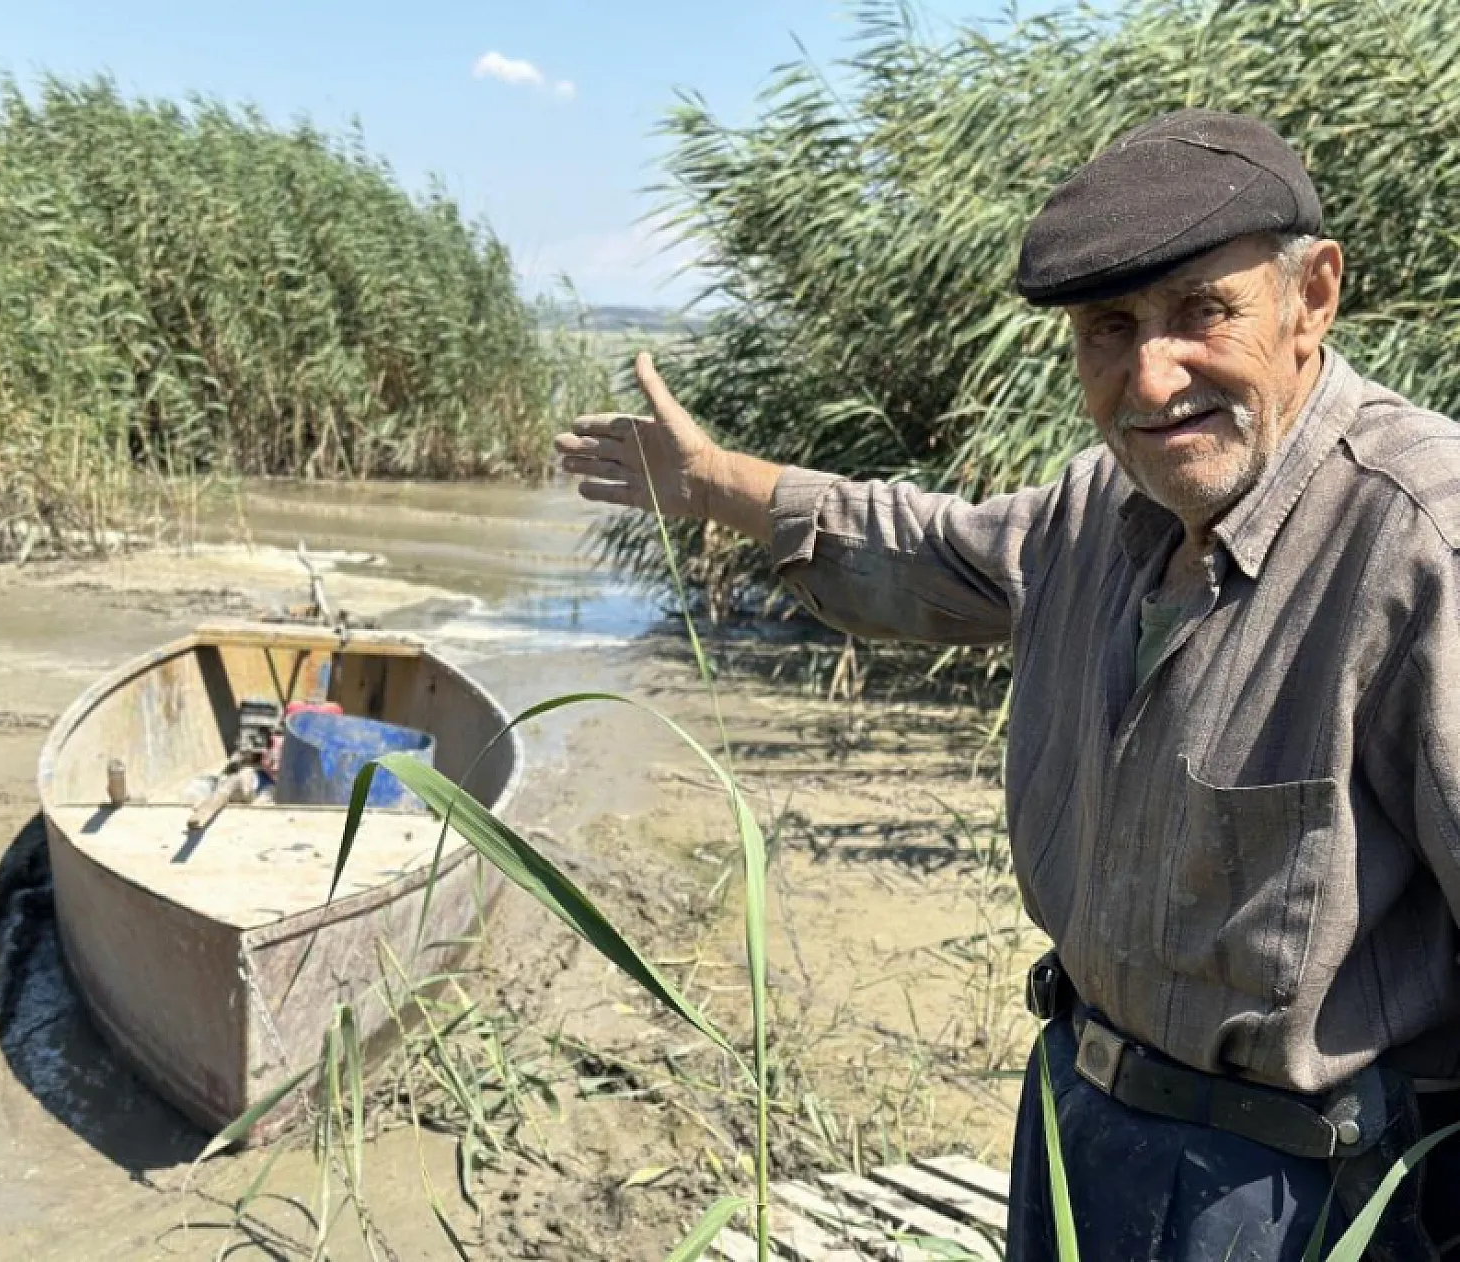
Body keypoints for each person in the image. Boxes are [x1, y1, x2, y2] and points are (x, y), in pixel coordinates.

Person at [555, 109, 1460, 1261]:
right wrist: (715, 483)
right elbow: (921, 552)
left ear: (1311, 296)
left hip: (1299, 1189)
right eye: (1109, 326)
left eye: (1200, 312)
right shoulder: (1103, 507)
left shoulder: (1417, 537)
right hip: (1078, 1120)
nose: (1151, 374)